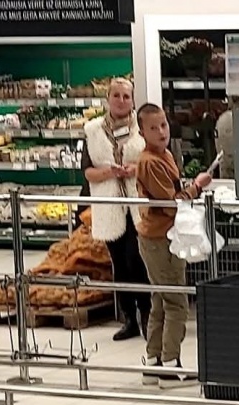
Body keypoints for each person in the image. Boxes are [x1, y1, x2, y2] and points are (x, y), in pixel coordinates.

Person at [133, 103, 212, 385]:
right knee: (177, 302)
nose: (161, 132)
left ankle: (154, 361)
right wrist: (197, 187)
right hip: (161, 239)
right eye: (153, 128)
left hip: (163, 236)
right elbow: (170, 204)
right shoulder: (150, 162)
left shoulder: (164, 155)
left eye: (164, 125)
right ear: (142, 132)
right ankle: (170, 364)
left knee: (160, 300)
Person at [82, 78, 151, 342]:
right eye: (116, 96)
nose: (121, 101)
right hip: (109, 205)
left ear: (132, 100)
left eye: (126, 96)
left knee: (137, 259)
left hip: (138, 204)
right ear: (107, 99)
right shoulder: (92, 131)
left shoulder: (143, 128)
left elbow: (155, 160)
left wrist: (136, 169)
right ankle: (128, 318)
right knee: (119, 263)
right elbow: (87, 172)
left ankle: (147, 314)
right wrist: (109, 173)